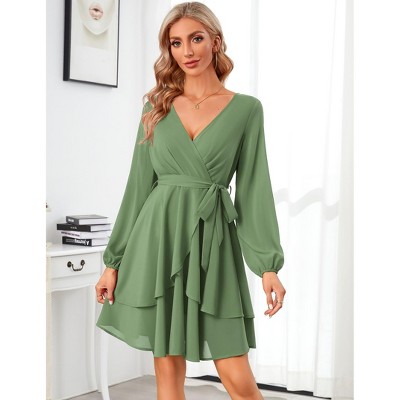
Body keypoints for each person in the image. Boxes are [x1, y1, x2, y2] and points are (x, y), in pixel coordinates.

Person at [95, 2, 286, 399]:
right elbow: (138, 188)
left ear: (215, 41)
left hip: (213, 247)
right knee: (167, 375)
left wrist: (267, 266)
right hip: (158, 242)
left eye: (196, 38)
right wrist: (113, 262)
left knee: (238, 377)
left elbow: (254, 189)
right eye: (176, 43)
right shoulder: (156, 108)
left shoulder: (246, 110)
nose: (187, 51)